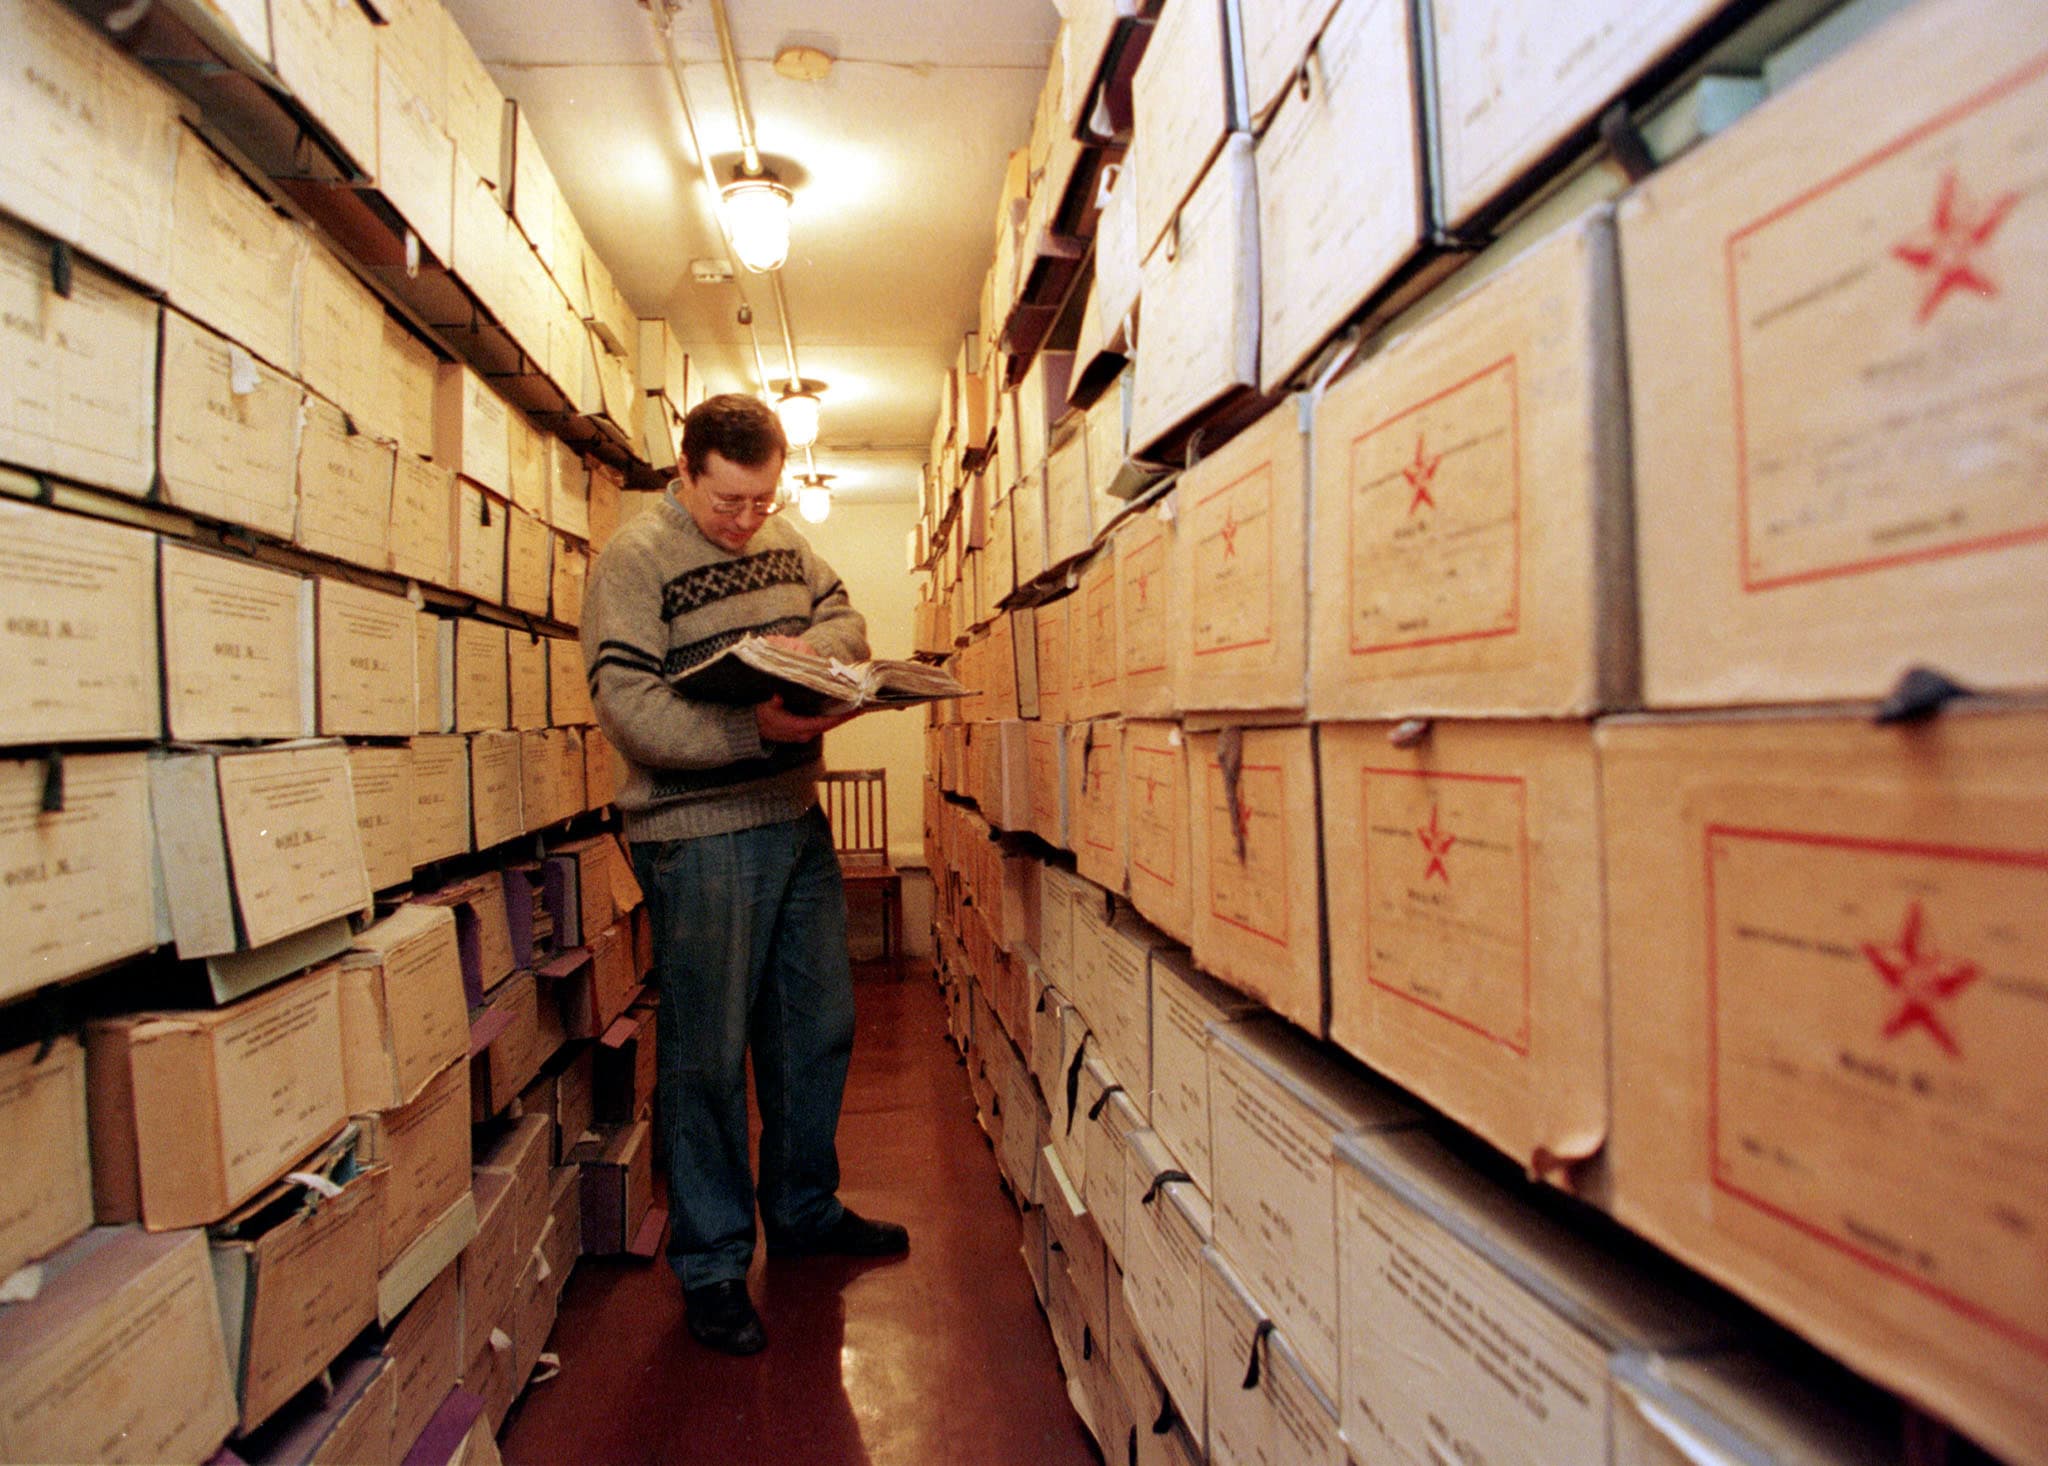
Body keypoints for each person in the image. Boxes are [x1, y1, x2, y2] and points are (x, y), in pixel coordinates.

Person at [581, 392, 908, 1356]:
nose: (747, 520)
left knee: (817, 1027)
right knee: (707, 1055)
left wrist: (821, 653)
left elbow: (845, 614)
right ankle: (716, 1262)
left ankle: (805, 1212)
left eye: (762, 499)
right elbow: (628, 707)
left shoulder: (785, 538)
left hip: (792, 816)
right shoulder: (634, 561)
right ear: (684, 473)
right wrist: (746, 726)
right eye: (729, 502)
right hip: (696, 831)